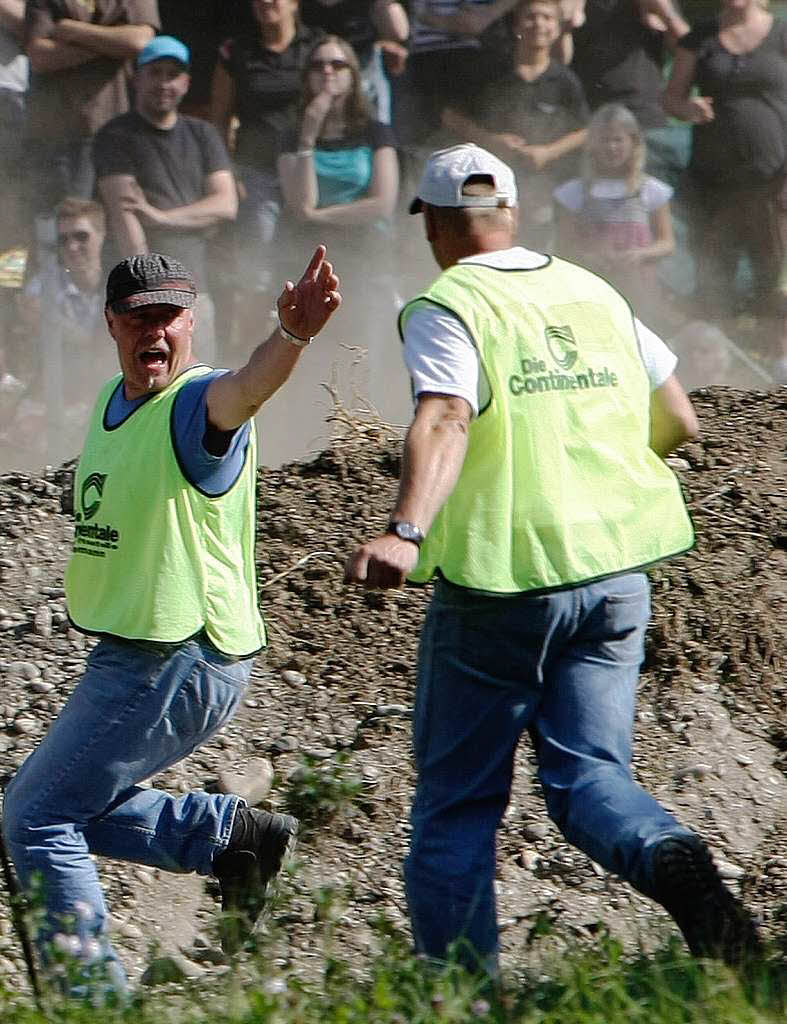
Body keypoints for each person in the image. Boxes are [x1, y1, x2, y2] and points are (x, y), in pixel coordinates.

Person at [345, 143, 762, 973]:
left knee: (457, 806)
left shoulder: (449, 302)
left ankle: (461, 998)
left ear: (430, 224)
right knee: (589, 780)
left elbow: (445, 417)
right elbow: (678, 419)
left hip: (505, 583)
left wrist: (406, 530)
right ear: (512, 213)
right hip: (614, 575)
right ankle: (667, 853)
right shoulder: (591, 289)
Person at [2, 246, 341, 998]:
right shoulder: (109, 404)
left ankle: (93, 1003)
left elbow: (244, 392)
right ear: (112, 324)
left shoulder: (196, 403)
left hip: (176, 654)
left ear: (191, 322)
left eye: (166, 316)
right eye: (136, 316)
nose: (151, 330)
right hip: (136, 652)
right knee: (57, 801)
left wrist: (290, 338)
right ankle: (227, 839)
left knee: (36, 816)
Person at [94, 35, 238, 366]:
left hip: (195, 288)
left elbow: (225, 204)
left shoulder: (202, 134)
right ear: (137, 78)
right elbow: (125, 215)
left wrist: (160, 217)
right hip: (140, 295)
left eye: (172, 74)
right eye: (154, 72)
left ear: (186, 82)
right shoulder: (116, 136)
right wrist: (145, 295)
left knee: (197, 385)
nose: (163, 83)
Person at [662, 0, 787, 379]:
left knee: (775, 276)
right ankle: (722, 372)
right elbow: (670, 99)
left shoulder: (782, 33)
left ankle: (778, 370)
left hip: (773, 183)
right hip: (713, 185)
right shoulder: (700, 36)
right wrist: (688, 108)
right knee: (714, 275)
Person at [441, 0, 589, 250]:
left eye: (547, 17)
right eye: (531, 16)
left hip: (543, 188)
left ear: (556, 28)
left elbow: (585, 130)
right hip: (488, 187)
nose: (539, 24)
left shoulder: (564, 80)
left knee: (540, 250)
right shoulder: (489, 70)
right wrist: (490, 140)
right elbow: (450, 116)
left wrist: (548, 152)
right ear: (516, 24)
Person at [23, 0, 158, 218]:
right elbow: (40, 56)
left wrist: (72, 29)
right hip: (58, 136)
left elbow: (139, 41)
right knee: (68, 231)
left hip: (121, 131)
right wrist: (113, 44)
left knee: (119, 225)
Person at [553, 103, 675, 327]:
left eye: (618, 140)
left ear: (633, 142)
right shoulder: (576, 192)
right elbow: (564, 246)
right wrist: (590, 256)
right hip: (591, 289)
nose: (611, 147)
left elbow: (667, 243)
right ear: (592, 144)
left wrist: (640, 254)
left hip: (639, 291)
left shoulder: (650, 190)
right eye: (604, 140)